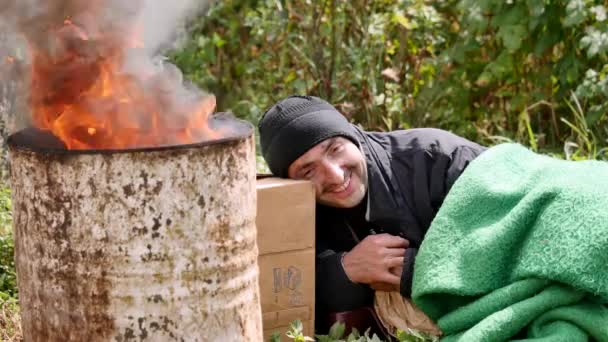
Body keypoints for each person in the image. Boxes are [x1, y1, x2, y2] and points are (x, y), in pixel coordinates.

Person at [258, 95, 486, 333]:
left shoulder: (443, 158)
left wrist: (412, 270)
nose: (335, 176)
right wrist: (345, 270)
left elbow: (506, 247)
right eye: (308, 170)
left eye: (335, 149)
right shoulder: (296, 206)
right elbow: (286, 288)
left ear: (352, 137)